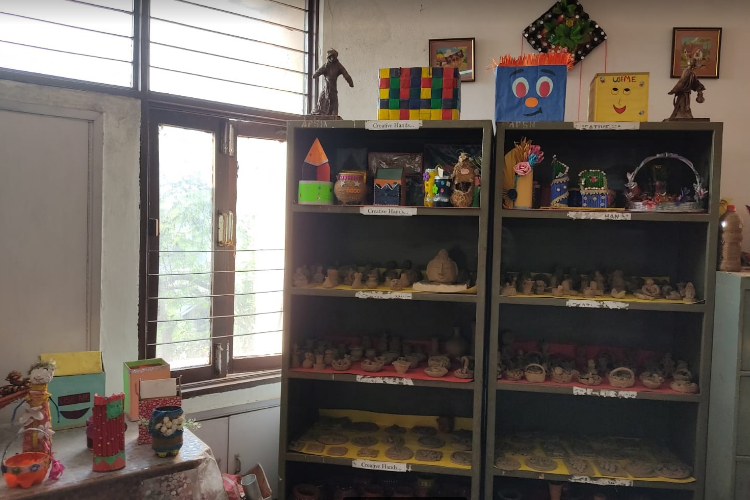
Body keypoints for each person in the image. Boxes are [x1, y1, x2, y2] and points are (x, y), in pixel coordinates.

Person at [312, 49, 353, 117]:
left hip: (333, 87)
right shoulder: (326, 65)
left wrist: (350, 82)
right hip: (326, 87)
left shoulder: (338, 65)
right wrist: (315, 75)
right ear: (328, 57)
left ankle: (333, 115)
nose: (332, 58)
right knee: (322, 100)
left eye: (333, 56)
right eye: (330, 57)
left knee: (333, 102)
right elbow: (318, 72)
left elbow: (346, 74)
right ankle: (322, 113)